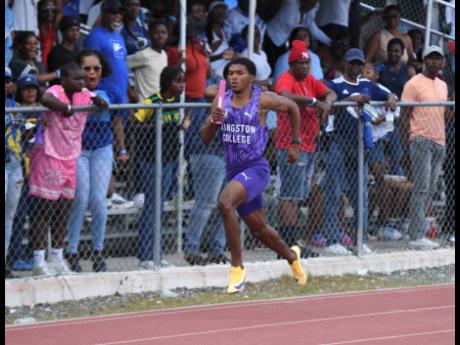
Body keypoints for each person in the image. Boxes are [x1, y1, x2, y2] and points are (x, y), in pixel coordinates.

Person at [200, 57, 307, 293]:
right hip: (234, 172)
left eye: (239, 73)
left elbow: (293, 107)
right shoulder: (221, 100)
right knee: (259, 229)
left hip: (256, 168)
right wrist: (213, 122)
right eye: (230, 74)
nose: (234, 77)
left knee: (225, 203)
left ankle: (237, 268)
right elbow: (205, 138)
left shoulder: (262, 99)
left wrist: (295, 143)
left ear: (250, 77)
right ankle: (292, 257)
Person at [28, 62, 108, 276]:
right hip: (49, 154)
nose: (82, 82)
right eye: (77, 78)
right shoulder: (57, 90)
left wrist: (100, 102)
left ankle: (57, 258)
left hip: (71, 156)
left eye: (83, 78)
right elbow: (44, 98)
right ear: (64, 80)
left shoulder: (84, 94)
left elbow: (103, 104)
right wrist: (66, 108)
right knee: (44, 209)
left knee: (64, 209)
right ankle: (38, 261)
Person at [321, 48, 397, 256]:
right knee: (334, 191)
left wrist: (391, 97)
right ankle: (331, 239)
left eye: (359, 64)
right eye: (352, 63)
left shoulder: (367, 84)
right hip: (339, 141)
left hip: (360, 145)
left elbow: (386, 93)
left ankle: (360, 240)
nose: (356, 67)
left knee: (361, 195)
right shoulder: (336, 84)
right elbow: (330, 100)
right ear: (346, 63)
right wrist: (352, 98)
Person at [274, 40, 336, 255]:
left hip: (309, 144)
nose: (304, 67)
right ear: (291, 64)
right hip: (291, 144)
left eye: (306, 63)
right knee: (289, 196)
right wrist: (313, 101)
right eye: (300, 63)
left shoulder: (310, 79)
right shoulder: (286, 78)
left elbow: (330, 92)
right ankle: (288, 246)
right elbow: (283, 95)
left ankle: (292, 245)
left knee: (298, 195)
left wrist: (326, 101)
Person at [65, 50, 121, 273]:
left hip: (101, 148)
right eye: (86, 68)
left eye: (95, 68)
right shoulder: (69, 91)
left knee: (98, 200)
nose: (91, 72)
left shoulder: (110, 90)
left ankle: (98, 250)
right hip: (78, 148)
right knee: (80, 197)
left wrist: (123, 149)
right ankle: (72, 251)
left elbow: (106, 107)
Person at [132, 66, 189, 269]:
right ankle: (146, 256)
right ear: (167, 83)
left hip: (170, 159)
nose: (181, 85)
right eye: (177, 81)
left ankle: (158, 253)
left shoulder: (178, 103)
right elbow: (136, 121)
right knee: (152, 206)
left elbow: (173, 129)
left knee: (160, 207)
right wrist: (157, 126)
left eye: (183, 81)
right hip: (151, 159)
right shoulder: (153, 101)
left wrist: (182, 126)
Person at [400, 45, 448, 250]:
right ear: (423, 60)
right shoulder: (413, 83)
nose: (435, 62)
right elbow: (404, 116)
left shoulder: (443, 85)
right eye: (431, 58)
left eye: (438, 58)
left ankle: (420, 232)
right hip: (420, 139)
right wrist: (405, 144)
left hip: (440, 141)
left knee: (430, 189)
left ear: (442, 62)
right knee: (421, 188)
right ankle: (416, 235)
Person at [376, 38, 416, 176]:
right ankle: (380, 187)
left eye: (397, 51)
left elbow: (414, 93)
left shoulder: (409, 70)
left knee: (397, 157)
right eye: (391, 51)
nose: (393, 53)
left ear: (402, 53)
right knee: (378, 158)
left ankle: (398, 192)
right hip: (380, 117)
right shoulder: (381, 69)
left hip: (399, 119)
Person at [264, 0, 331, 68]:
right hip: (271, 37)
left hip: (283, 42)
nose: (310, 7)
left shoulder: (308, 13)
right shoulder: (291, 3)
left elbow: (315, 31)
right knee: (272, 65)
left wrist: (330, 42)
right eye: (309, 4)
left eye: (313, 6)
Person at [5, 67, 24, 279]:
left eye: (8, 81)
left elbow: (26, 130)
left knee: (9, 215)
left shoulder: (16, 107)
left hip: (15, 163)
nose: (6, 84)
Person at [127, 20, 169, 100]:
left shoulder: (164, 54)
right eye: (156, 33)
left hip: (158, 104)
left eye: (163, 33)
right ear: (150, 35)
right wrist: (129, 90)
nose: (160, 36)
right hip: (144, 106)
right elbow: (119, 66)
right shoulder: (143, 55)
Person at [364, 2, 414, 66]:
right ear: (384, 18)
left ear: (399, 18)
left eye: (395, 16)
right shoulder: (378, 36)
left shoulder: (407, 38)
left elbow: (411, 63)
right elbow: (367, 60)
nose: (392, 19)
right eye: (389, 16)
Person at [37, 0, 59, 69]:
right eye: (46, 10)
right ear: (40, 12)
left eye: (53, 10)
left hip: (52, 67)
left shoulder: (56, 31)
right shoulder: (35, 29)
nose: (50, 13)